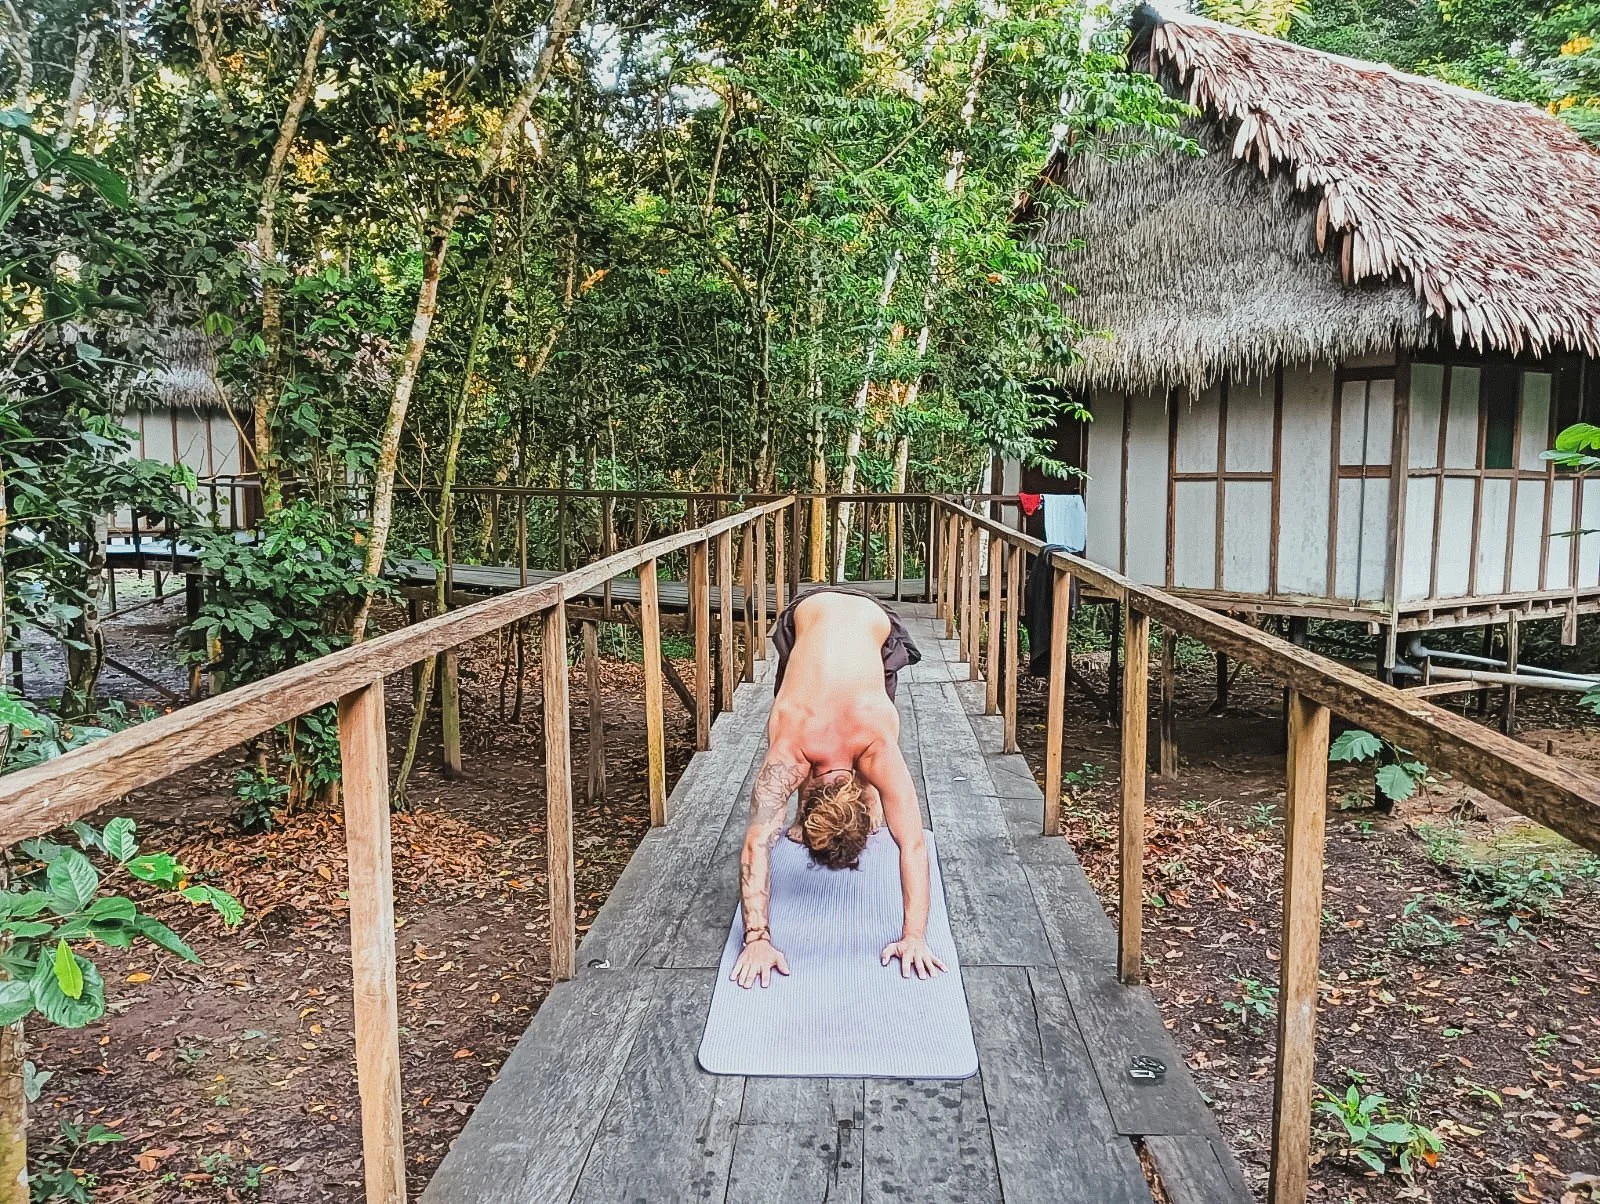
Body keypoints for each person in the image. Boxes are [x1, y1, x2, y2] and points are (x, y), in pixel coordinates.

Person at [730, 588, 947, 989]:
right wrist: (755, 938)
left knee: (836, 717)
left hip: (870, 622)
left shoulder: (862, 747)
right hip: (809, 616)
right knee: (805, 701)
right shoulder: (804, 752)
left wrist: (916, 936)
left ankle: (855, 806)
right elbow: (912, 844)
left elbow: (757, 843)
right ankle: (827, 811)